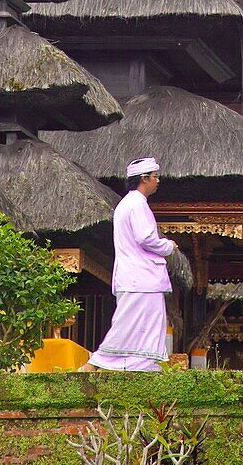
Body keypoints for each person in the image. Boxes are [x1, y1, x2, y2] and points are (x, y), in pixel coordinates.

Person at [78, 157, 177, 372]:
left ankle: (140, 363)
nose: (158, 181)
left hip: (137, 276)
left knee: (143, 323)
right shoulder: (136, 205)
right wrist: (167, 246)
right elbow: (145, 238)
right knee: (128, 323)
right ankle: (96, 362)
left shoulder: (129, 204)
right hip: (139, 277)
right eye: (155, 177)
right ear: (144, 179)